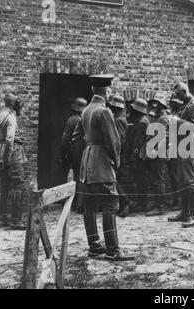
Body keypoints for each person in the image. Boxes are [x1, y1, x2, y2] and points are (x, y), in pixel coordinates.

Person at [76, 74, 134, 261]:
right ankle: (112, 250)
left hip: (87, 162)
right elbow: (113, 141)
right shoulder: (105, 112)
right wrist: (116, 161)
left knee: (89, 206)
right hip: (101, 162)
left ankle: (94, 247)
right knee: (111, 203)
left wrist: (84, 157)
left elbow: (77, 138)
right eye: (109, 90)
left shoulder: (85, 111)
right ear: (106, 91)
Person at [168, 82, 194, 228]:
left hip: (190, 147)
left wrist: (177, 120)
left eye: (177, 94)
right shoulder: (185, 105)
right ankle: (185, 212)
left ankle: (193, 215)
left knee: (190, 181)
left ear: (184, 92)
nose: (176, 97)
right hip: (182, 146)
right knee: (183, 181)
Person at [0, 92, 28, 230]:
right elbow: (9, 139)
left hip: (2, 152)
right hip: (12, 154)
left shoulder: (0, 115)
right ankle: (16, 220)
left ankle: (1, 219)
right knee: (18, 185)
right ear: (13, 103)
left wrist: (0, 159)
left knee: (4, 186)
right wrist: (6, 159)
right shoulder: (11, 117)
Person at [145, 93, 171, 216]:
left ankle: (160, 207)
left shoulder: (164, 119)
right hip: (155, 152)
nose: (154, 106)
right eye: (154, 104)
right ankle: (157, 203)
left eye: (157, 104)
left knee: (158, 180)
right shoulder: (157, 118)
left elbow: (164, 138)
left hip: (160, 153)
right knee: (154, 179)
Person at [61, 97, 87, 214]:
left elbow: (65, 138)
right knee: (83, 177)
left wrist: (63, 153)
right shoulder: (86, 119)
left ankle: (76, 204)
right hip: (86, 151)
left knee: (75, 177)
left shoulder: (71, 120)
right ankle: (81, 203)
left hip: (75, 152)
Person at [107, 95, 130, 218]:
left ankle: (125, 202)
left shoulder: (118, 120)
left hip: (119, 155)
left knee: (116, 180)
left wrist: (117, 156)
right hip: (120, 154)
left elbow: (120, 140)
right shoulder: (120, 119)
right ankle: (123, 204)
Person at [127, 98, 150, 213]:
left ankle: (142, 203)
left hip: (140, 157)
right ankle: (142, 202)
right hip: (142, 155)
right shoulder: (143, 121)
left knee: (141, 180)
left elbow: (138, 143)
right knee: (141, 180)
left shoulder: (141, 123)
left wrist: (133, 158)